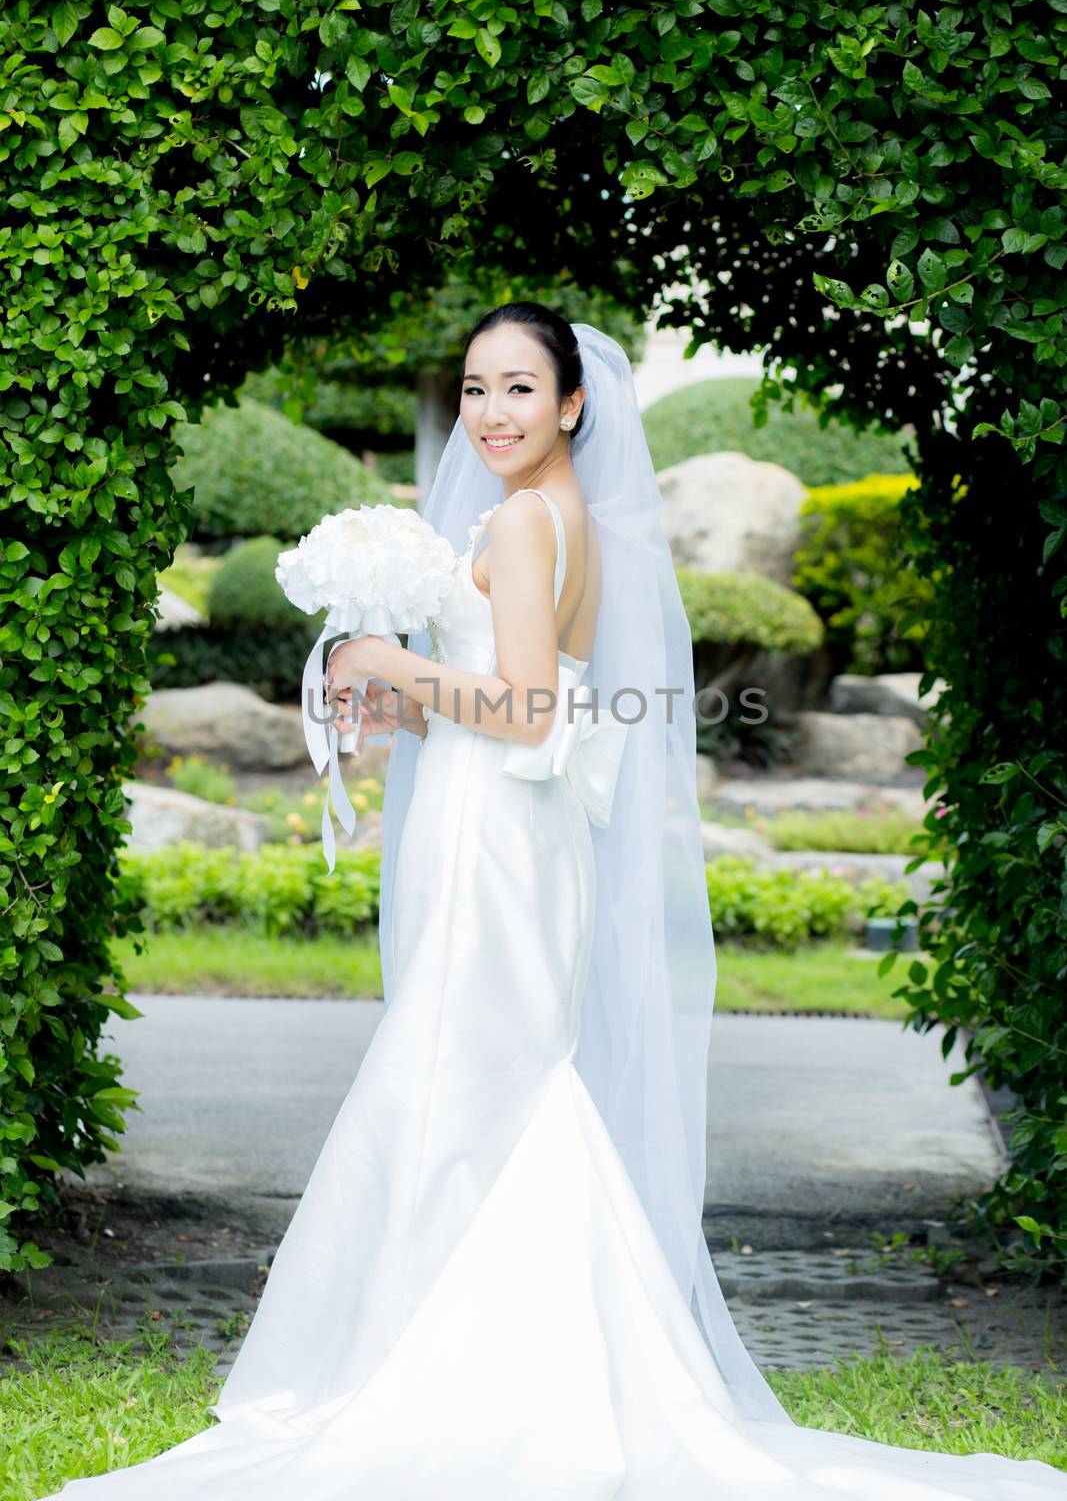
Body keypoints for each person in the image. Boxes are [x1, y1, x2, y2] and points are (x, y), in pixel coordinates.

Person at [38, 306, 1067, 1497]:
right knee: (489, 1087)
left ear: (572, 403)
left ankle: (447, 1378)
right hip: (507, 832)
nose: (491, 412)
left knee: (458, 1084)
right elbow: (526, 697)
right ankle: (479, 1354)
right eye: (475, 390)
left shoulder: (527, 521)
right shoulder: (551, 517)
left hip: (496, 844)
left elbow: (526, 713)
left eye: (519, 388)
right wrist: (396, 692)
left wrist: (383, 665)